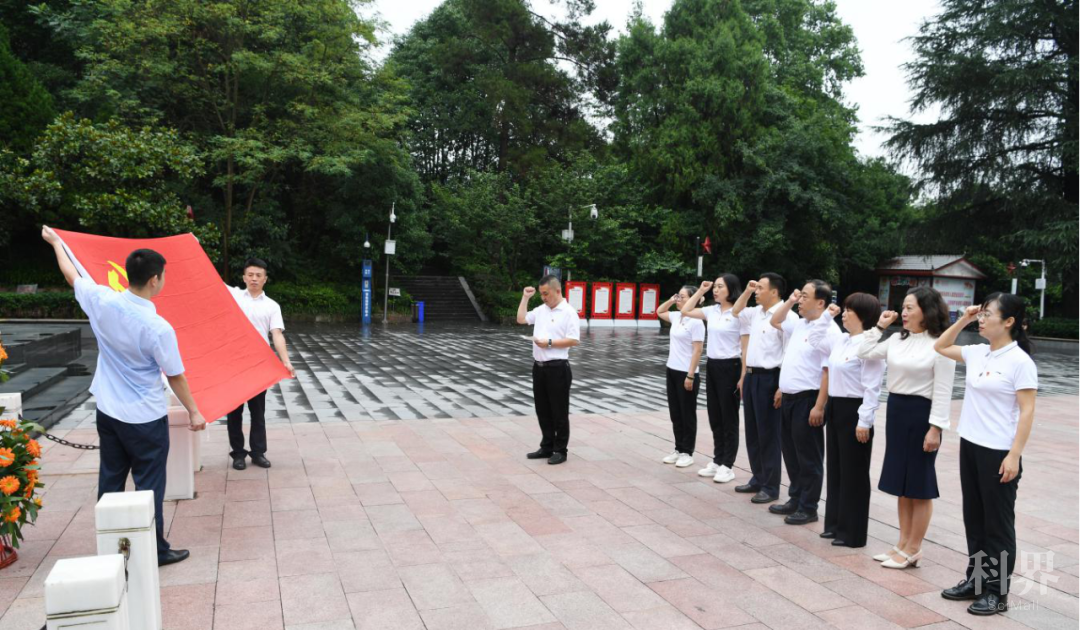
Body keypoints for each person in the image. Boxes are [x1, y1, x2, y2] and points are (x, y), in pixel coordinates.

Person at [42, 226, 206, 567]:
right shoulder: (157, 327)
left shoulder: (102, 299)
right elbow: (175, 375)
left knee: (111, 481)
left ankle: (111, 548)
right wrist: (194, 412)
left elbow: (72, 275)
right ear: (155, 280)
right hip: (144, 417)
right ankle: (156, 550)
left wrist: (57, 243)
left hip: (108, 410)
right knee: (149, 486)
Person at [935, 294, 1036, 616]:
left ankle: (997, 592)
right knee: (975, 519)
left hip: (999, 452)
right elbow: (940, 346)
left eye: (987, 314)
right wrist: (963, 319)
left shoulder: (1020, 362)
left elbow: (1027, 411)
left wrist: (1014, 455)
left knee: (998, 525)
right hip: (971, 445)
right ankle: (976, 581)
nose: (982, 318)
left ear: (1008, 322)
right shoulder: (979, 353)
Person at [858, 286, 956, 569]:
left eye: (910, 307)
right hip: (897, 412)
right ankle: (902, 543)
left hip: (922, 415)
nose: (904, 311)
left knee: (919, 485)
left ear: (927, 310)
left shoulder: (941, 344)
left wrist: (936, 428)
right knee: (902, 483)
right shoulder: (897, 340)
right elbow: (863, 351)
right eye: (904, 306)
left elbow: (943, 390)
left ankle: (914, 548)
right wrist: (879, 326)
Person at [808, 294, 885, 548]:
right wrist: (827, 316)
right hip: (836, 406)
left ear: (862, 316)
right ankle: (835, 525)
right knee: (837, 469)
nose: (845, 313)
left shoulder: (869, 345)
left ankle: (853, 533)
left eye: (850, 310)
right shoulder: (841, 339)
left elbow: (872, 388)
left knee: (854, 474)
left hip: (855, 409)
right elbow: (815, 339)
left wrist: (865, 421)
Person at [768, 280, 842, 525]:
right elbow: (775, 321)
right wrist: (790, 299)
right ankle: (796, 497)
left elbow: (827, 372)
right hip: (789, 397)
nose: (801, 300)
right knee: (790, 452)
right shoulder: (801, 324)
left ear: (821, 302)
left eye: (805, 296)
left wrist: (819, 406)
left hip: (808, 399)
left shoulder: (829, 330)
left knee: (808, 456)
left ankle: (809, 507)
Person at [225, 258, 295, 471]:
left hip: (258, 365)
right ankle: (238, 453)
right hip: (234, 363)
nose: (254, 279)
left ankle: (258, 453)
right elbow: (209, 280)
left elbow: (277, 335)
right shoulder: (234, 296)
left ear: (265, 279)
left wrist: (286, 361)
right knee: (234, 411)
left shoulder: (272, 306)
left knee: (258, 411)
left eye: (258, 275)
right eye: (250, 275)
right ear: (244, 277)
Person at [732, 273, 795, 505]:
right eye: (756, 288)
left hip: (771, 378)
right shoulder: (755, 314)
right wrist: (747, 291)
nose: (756, 291)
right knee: (753, 431)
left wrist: (781, 386)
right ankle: (757, 477)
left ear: (775, 292)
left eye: (760, 288)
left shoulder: (786, 317)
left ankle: (771, 486)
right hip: (751, 377)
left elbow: (789, 353)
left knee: (769, 434)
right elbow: (736, 310)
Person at [682, 274, 746, 483]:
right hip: (713, 365)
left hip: (731, 366)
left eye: (720, 287)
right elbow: (685, 310)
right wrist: (701, 291)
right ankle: (718, 460)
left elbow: (745, 348)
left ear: (731, 289)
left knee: (729, 417)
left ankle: (728, 464)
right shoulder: (712, 311)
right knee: (715, 415)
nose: (716, 290)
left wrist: (743, 376)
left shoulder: (739, 312)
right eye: (715, 287)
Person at [516, 275, 580, 465]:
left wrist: (549, 343)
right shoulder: (541, 310)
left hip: (558, 367)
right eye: (541, 294)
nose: (543, 297)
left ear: (557, 291)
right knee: (542, 409)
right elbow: (521, 319)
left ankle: (560, 450)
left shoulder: (569, 312)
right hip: (539, 367)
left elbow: (574, 340)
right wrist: (525, 298)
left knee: (559, 410)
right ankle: (547, 446)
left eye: (546, 293)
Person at [657, 286, 705, 468]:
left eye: (682, 297)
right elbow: (659, 311)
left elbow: (698, 350)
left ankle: (687, 451)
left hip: (687, 372)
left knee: (687, 414)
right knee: (676, 413)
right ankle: (678, 448)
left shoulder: (696, 322)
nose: (678, 299)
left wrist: (690, 375)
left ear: (692, 300)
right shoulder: (677, 316)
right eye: (678, 295)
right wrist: (671, 299)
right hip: (672, 369)